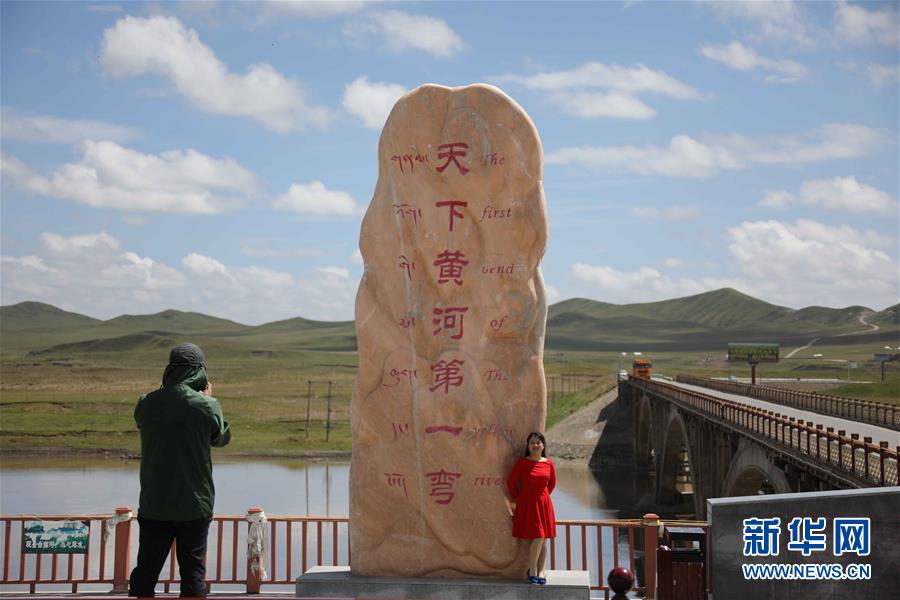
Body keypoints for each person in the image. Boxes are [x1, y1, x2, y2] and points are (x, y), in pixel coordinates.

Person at [129, 343, 231, 598]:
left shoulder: (147, 403)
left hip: (154, 503)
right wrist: (207, 399)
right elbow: (221, 439)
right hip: (195, 504)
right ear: (199, 371)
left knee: (146, 570)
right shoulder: (206, 405)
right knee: (193, 573)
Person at [506, 431, 557, 585]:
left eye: (538, 442)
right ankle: (532, 569)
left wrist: (543, 496)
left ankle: (541, 571)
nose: (535, 445)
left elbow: (552, 484)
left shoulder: (548, 463)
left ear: (543, 445)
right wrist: (518, 498)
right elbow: (511, 482)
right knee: (539, 536)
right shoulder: (523, 463)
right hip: (528, 504)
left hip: (544, 504)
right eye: (532, 443)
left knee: (544, 540)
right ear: (528, 446)